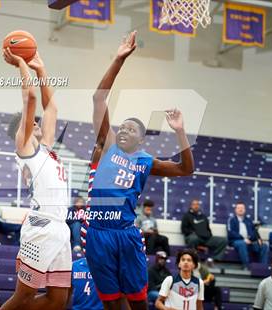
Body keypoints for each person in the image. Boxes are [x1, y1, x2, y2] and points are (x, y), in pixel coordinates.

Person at [83, 30, 195, 310]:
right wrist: (119, 59)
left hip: (125, 233)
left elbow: (185, 169)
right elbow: (99, 98)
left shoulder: (145, 160)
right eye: (122, 127)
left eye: (131, 129)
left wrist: (181, 132)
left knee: (137, 302)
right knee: (110, 303)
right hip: (98, 234)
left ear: (141, 139)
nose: (124, 130)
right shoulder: (107, 146)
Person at [0, 48, 71, 310]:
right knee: (23, 296)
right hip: (41, 227)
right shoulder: (25, 146)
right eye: (33, 123)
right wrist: (21, 63)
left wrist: (41, 69)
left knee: (57, 300)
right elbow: (30, 98)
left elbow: (50, 106)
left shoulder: (46, 150)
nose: (39, 123)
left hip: (59, 227)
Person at [227, 202, 269, 269]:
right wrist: (243, 239)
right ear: (235, 210)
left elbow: (254, 232)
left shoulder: (248, 220)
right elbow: (231, 233)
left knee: (264, 246)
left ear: (245, 210)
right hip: (236, 241)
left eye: (242, 208)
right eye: (239, 208)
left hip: (250, 242)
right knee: (242, 243)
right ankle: (246, 266)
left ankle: (263, 268)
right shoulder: (231, 220)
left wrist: (258, 239)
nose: (240, 209)